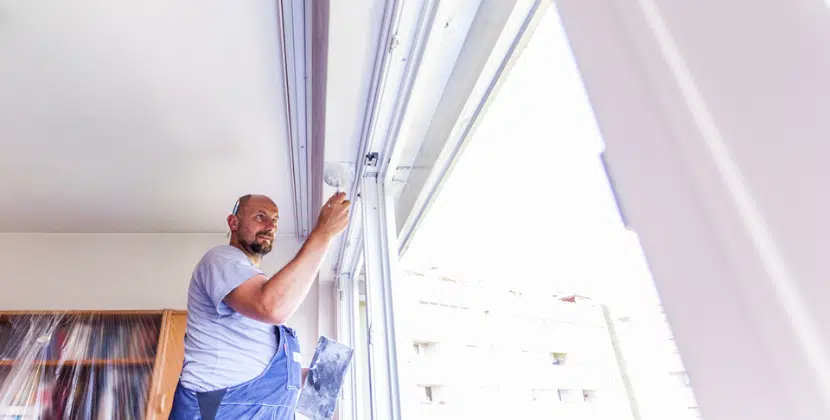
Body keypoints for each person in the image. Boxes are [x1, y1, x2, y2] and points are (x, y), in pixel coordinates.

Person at [169, 192, 350, 420]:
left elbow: (254, 369)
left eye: (274, 220)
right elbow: (271, 306)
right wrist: (323, 233)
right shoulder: (221, 259)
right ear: (233, 223)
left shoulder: (252, 289)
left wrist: (309, 378)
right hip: (219, 411)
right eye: (260, 217)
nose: (270, 226)